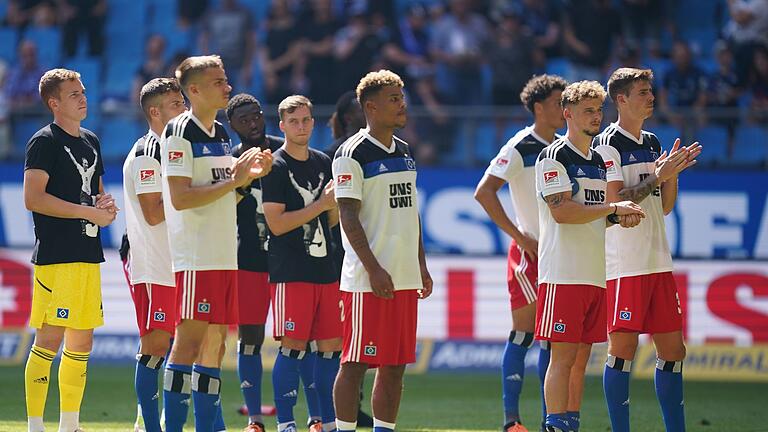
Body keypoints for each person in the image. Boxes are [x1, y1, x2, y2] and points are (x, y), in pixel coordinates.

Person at [161, 55, 272, 432]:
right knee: (188, 344)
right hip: (196, 256)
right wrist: (234, 179)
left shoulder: (221, 133)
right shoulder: (180, 131)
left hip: (226, 256)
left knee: (216, 348)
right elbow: (180, 198)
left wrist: (248, 178)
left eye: (225, 80)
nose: (227, 87)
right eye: (218, 82)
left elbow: (226, 195)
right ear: (194, 90)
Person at [594, 68, 701, 432]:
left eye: (650, 90)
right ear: (621, 99)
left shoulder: (653, 142)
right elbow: (614, 203)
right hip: (626, 264)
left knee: (673, 352)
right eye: (642, 91)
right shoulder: (607, 144)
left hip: (658, 259)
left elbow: (664, 204)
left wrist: (670, 175)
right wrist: (657, 175)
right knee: (622, 353)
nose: (650, 97)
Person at [534, 80, 645, 432]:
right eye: (588, 111)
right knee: (563, 357)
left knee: (581, 359)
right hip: (563, 273)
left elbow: (594, 214)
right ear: (567, 113)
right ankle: (554, 424)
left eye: (599, 110)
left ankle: (570, 422)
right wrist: (611, 207)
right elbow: (563, 212)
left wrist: (616, 217)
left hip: (594, 273)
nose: (596, 117)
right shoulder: (553, 156)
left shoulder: (598, 160)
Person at [332, 69, 433, 432]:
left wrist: (420, 265)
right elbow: (347, 214)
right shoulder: (351, 152)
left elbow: (411, 211)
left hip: (403, 275)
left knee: (395, 365)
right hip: (366, 279)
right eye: (394, 99)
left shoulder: (404, 151)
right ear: (371, 107)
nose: (402, 104)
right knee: (356, 362)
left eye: (401, 97)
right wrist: (373, 268)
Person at [23, 68, 118, 432]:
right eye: (74, 93)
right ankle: (34, 425)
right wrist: (87, 211)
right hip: (57, 256)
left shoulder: (91, 140)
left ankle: (70, 425)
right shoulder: (44, 141)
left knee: (83, 339)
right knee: (49, 337)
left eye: (83, 91)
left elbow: (95, 190)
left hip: (87, 253)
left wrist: (104, 205)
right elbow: (33, 198)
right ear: (54, 103)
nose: (83, 98)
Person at [474, 74, 567, 432]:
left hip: (560, 254)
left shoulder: (563, 147)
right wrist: (520, 236)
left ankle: (551, 419)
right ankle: (511, 421)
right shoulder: (519, 147)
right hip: (530, 256)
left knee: (554, 338)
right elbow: (484, 192)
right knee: (524, 334)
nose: (564, 110)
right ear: (539, 108)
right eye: (559, 103)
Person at [260, 95, 341, 432]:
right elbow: (276, 224)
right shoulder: (275, 166)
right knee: (292, 347)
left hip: (327, 268)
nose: (301, 126)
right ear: (282, 125)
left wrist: (334, 206)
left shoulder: (324, 162)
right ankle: (285, 422)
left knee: (330, 348)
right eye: (294, 121)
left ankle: (327, 421)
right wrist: (321, 205)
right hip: (292, 269)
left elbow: (333, 220)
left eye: (306, 120)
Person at [122, 77, 187, 432]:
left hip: (177, 262)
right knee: (156, 345)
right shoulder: (149, 152)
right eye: (176, 104)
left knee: (181, 346)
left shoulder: (174, 147)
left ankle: (154, 422)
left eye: (183, 102)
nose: (185, 110)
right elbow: (152, 211)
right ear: (154, 111)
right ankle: (148, 425)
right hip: (154, 264)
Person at [225, 93, 287, 431]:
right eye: (243, 119)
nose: (252, 123)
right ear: (232, 125)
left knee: (296, 340)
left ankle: (304, 417)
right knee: (250, 337)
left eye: (256, 116)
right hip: (248, 260)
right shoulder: (229, 161)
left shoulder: (284, 151)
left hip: (290, 261)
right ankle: (255, 419)